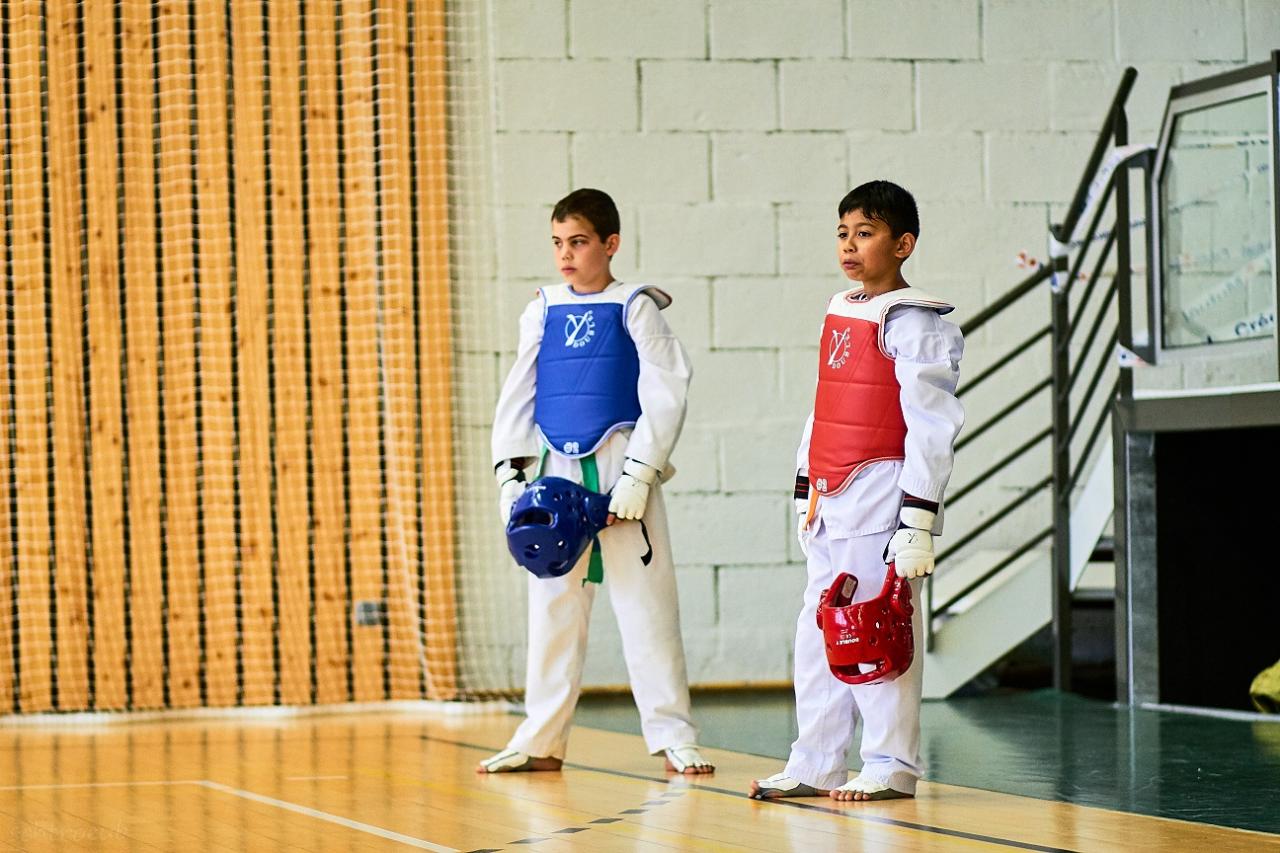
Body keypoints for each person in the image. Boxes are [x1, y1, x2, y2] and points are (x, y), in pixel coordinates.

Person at [479, 188, 713, 776]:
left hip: (621, 466)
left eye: (578, 242)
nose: (566, 254)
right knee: (553, 607)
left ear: (610, 244)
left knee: (647, 610)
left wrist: (640, 472)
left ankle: (673, 736)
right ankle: (541, 740)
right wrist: (511, 472)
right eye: (558, 242)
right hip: (556, 472)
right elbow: (519, 392)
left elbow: (667, 390)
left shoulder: (636, 306)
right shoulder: (541, 308)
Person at [749, 180, 963, 802]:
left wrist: (919, 518)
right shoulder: (841, 307)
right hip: (829, 499)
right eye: (843, 232)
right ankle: (816, 760)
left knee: (875, 632)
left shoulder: (914, 321)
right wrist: (803, 482)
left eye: (864, 233)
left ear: (903, 244)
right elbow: (828, 406)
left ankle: (891, 764)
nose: (849, 244)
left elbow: (932, 424)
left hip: (881, 504)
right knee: (817, 635)